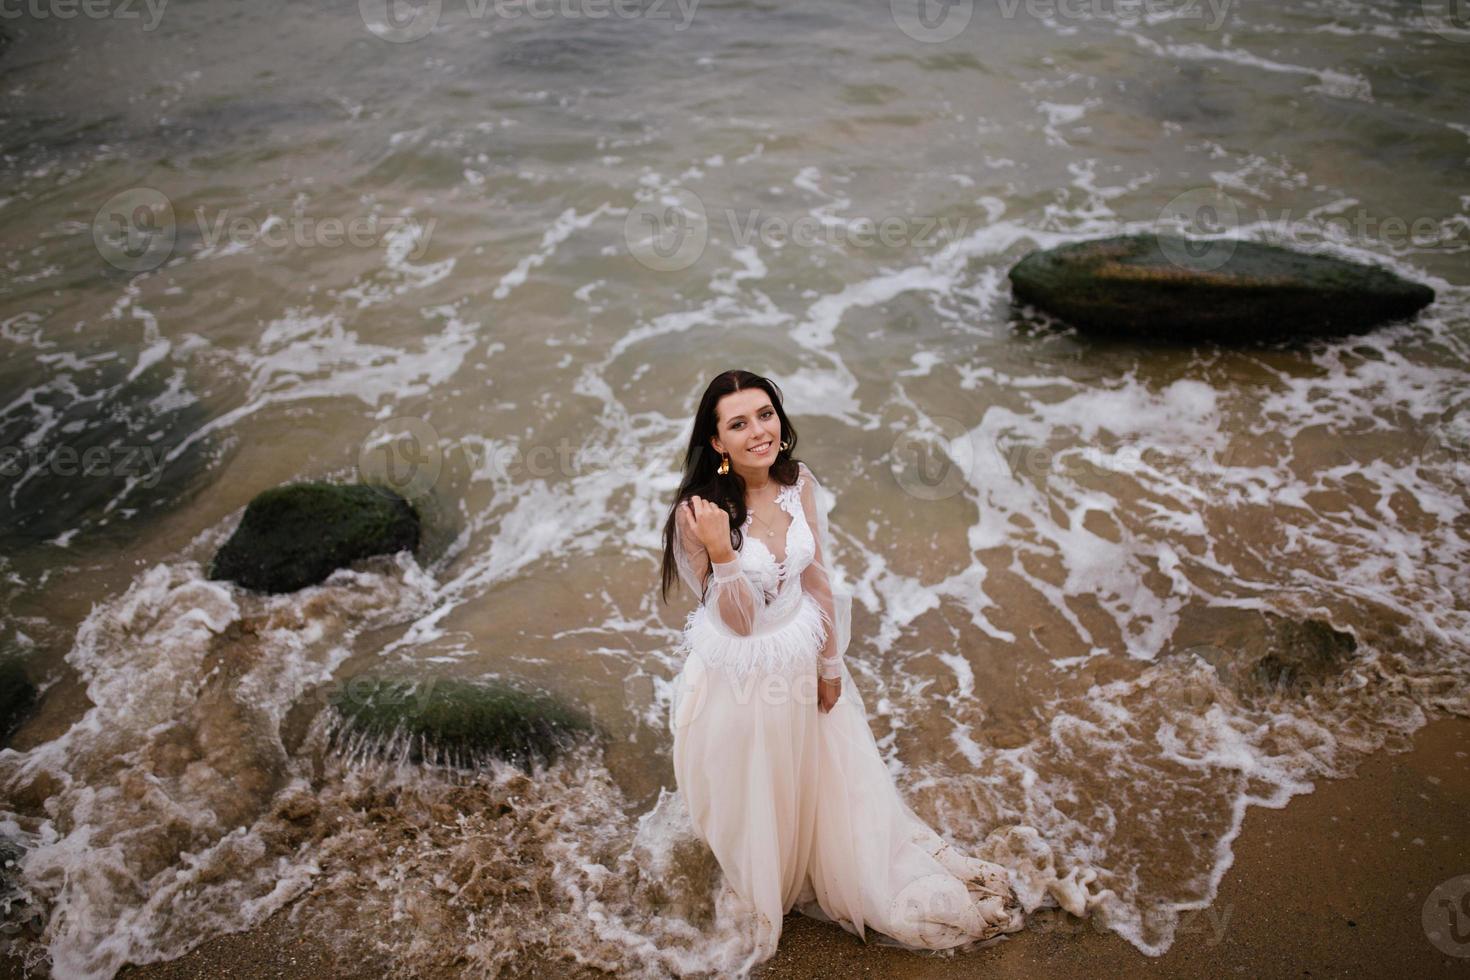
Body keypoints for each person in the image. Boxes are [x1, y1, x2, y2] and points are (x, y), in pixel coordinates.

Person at [659, 369, 1025, 968]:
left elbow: (818, 579)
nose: (760, 431)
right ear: (717, 442)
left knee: (826, 786)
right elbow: (741, 621)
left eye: (766, 414)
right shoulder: (697, 515)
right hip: (745, 683)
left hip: (803, 661)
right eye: (739, 423)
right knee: (762, 798)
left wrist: (831, 665)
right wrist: (723, 551)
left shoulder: (797, 481)